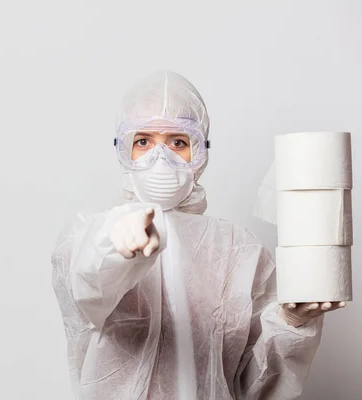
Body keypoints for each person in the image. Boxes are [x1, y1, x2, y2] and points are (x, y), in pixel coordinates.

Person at [51, 70, 345, 399]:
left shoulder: (239, 251)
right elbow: (88, 286)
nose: (159, 157)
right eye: (143, 141)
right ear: (123, 149)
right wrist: (113, 247)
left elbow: (255, 385)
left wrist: (291, 321)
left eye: (178, 142)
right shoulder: (90, 236)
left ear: (199, 151)